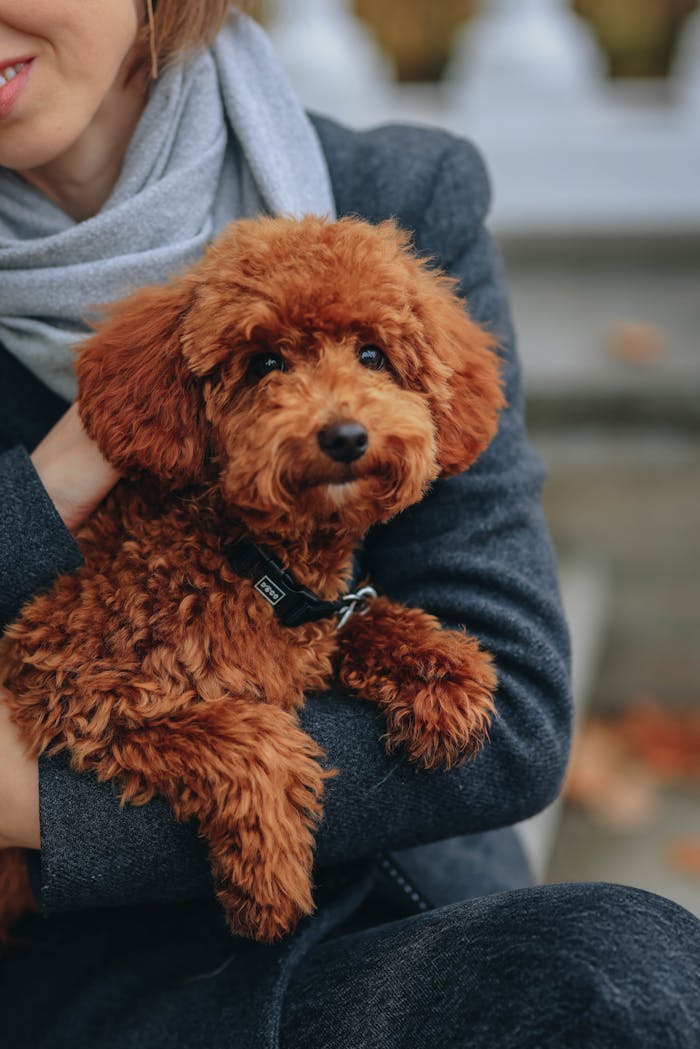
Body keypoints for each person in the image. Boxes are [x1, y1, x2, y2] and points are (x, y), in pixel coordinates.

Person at [0, 3, 698, 1047]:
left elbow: (506, 711)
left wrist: (50, 808)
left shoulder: (396, 197)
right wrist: (48, 487)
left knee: (615, 963)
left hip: (375, 918)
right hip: (61, 977)